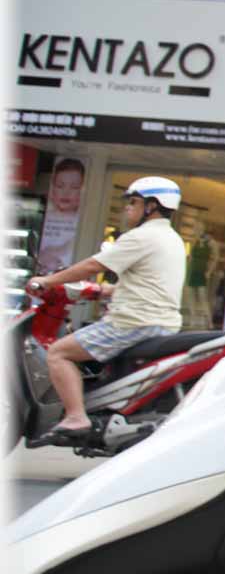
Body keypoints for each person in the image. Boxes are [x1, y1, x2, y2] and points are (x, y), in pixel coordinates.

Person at [24, 177, 187, 446]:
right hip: (160, 321)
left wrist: (48, 281)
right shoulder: (171, 238)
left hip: (133, 322)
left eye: (133, 202)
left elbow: (92, 266)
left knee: (59, 353)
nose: (127, 209)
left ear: (152, 206)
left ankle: (77, 417)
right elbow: (146, 282)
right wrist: (101, 291)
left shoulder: (141, 236)